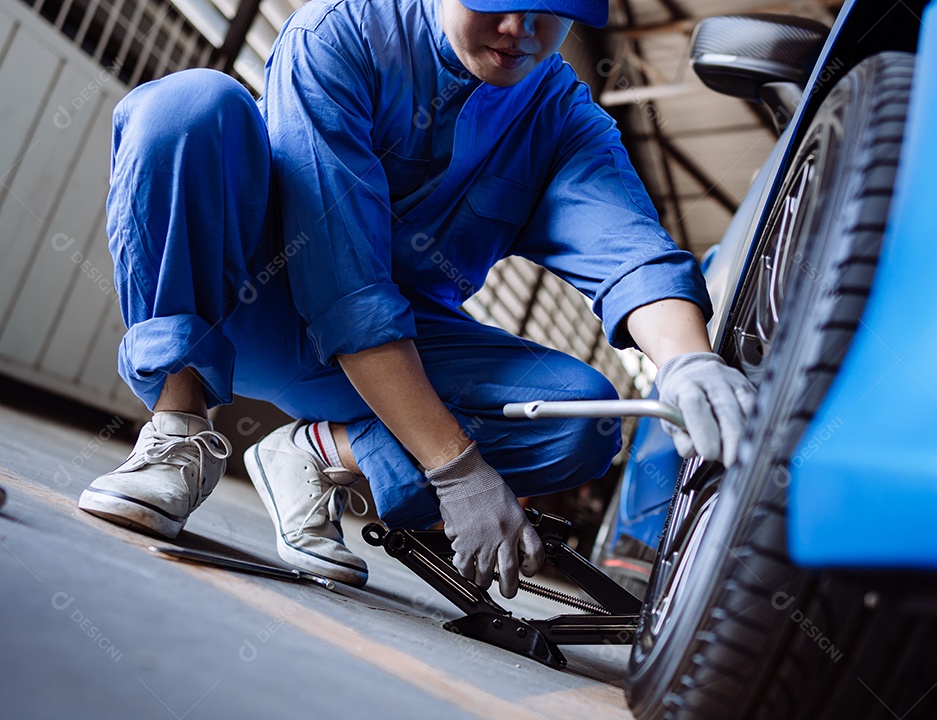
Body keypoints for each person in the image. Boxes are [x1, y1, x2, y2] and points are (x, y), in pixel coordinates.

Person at [78, 0, 755, 597]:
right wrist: (454, 466)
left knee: (587, 420)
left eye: (549, 10)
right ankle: (176, 433)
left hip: (396, 356)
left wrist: (686, 362)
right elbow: (345, 285)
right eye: (500, 2)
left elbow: (628, 248)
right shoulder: (340, 34)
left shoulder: (561, 121)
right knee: (187, 106)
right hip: (246, 298)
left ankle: (318, 453)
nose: (520, 30)